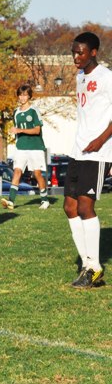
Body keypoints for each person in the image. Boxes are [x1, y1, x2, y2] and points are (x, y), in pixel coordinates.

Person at [64, 32, 112, 289]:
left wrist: (101, 141)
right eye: (73, 52)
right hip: (77, 150)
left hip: (98, 152)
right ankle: (88, 266)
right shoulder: (80, 76)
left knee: (85, 206)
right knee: (69, 207)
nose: (75, 57)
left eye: (80, 52)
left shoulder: (107, 78)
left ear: (93, 52)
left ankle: (94, 266)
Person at [1, 84, 50, 210]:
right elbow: (17, 130)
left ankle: (45, 200)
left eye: (25, 95)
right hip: (21, 147)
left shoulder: (34, 111)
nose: (22, 97)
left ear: (29, 96)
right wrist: (16, 132)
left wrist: (20, 130)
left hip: (35, 147)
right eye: (20, 95)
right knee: (17, 171)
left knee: (37, 173)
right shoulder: (16, 112)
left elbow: (37, 130)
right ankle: (11, 201)